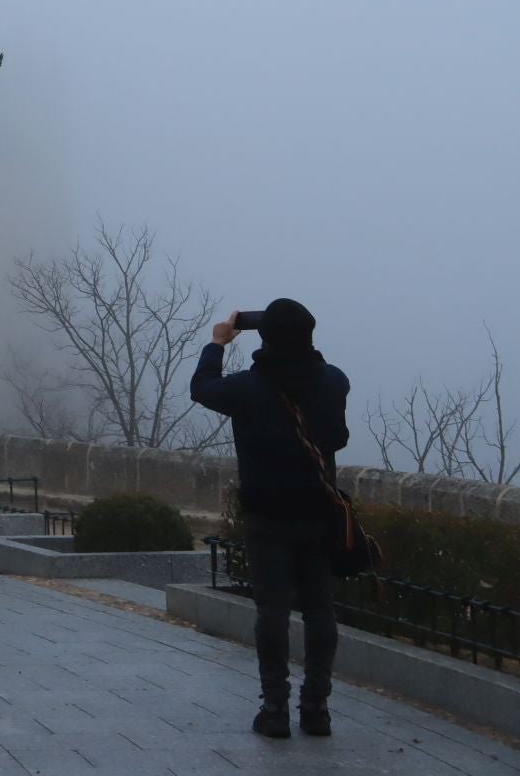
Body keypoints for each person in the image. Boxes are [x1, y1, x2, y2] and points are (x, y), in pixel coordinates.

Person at [190, 297, 349, 740]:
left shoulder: (248, 388)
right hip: (317, 515)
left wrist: (218, 343)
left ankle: (275, 708)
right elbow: (337, 432)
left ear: (268, 338)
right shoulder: (334, 382)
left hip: (266, 515)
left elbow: (202, 387)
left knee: (272, 610)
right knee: (320, 609)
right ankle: (316, 708)